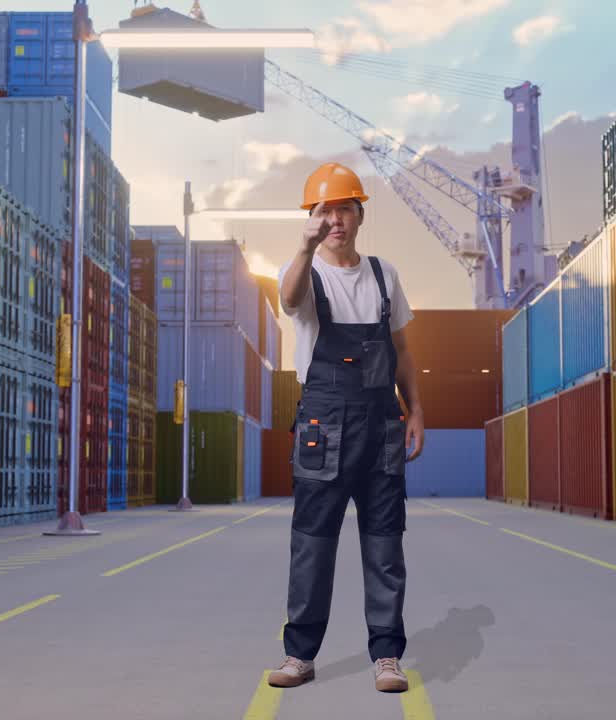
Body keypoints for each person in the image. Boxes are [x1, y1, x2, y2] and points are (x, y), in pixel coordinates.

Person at [268, 162, 425, 693]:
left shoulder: (385, 275)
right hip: (323, 428)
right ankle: (299, 655)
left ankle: (386, 655)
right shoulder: (306, 274)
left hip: (381, 425)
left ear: (360, 214)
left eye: (344, 209)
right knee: (313, 543)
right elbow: (288, 301)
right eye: (324, 210)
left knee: (385, 543)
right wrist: (303, 247)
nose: (335, 219)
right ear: (312, 218)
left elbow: (403, 352)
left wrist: (417, 412)